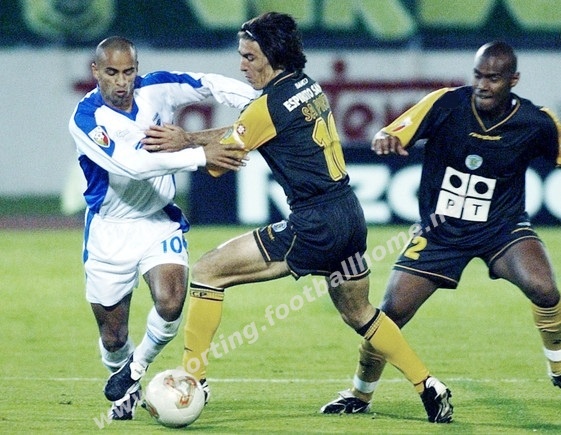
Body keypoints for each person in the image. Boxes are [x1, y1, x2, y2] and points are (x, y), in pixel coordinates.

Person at [141, 12, 453, 423]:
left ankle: (192, 380)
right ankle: (428, 386)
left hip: (314, 223)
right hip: (348, 215)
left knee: (208, 271)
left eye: (249, 56)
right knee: (359, 313)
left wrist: (184, 141)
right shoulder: (307, 86)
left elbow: (224, 157)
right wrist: (197, 139)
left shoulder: (267, 106)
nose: (242, 65)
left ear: (272, 54)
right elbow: (246, 129)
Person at [321, 41, 561, 414]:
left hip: (502, 229)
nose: (483, 85)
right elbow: (394, 131)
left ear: (513, 80)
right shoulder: (446, 104)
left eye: (493, 78)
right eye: (478, 76)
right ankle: (359, 394)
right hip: (439, 234)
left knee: (544, 288)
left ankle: (559, 369)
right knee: (389, 315)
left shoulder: (537, 121)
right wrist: (386, 137)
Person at [68, 36, 259, 420]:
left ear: (136, 70)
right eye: (111, 73)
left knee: (171, 301)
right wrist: (200, 154)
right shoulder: (86, 120)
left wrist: (259, 101)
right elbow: (133, 165)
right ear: (95, 71)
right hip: (110, 232)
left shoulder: (157, 89)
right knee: (113, 336)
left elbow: (207, 83)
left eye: (128, 72)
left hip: (159, 221)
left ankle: (135, 370)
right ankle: (126, 382)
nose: (121, 82)